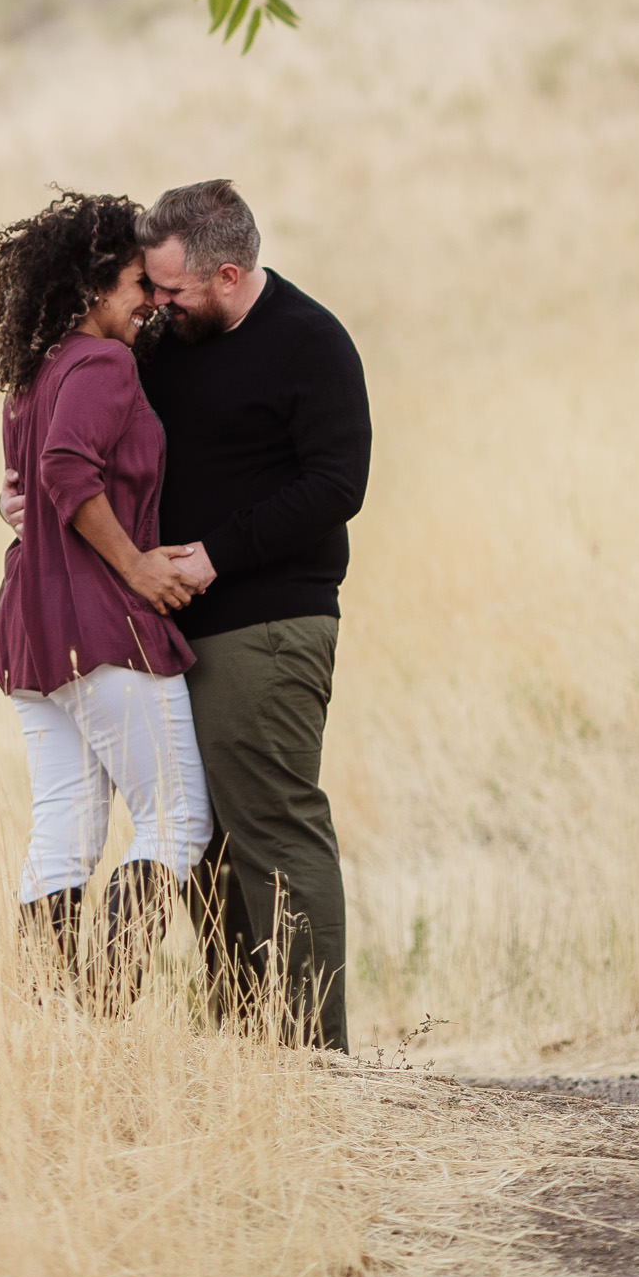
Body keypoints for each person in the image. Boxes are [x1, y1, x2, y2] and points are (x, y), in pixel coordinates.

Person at [138, 178, 371, 1052]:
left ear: (228, 275)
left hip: (268, 627)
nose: (157, 304)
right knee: (203, 848)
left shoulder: (311, 343)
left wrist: (216, 554)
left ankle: (314, 1061)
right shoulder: (169, 344)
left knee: (272, 827)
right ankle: (248, 1053)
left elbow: (337, 485)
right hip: (175, 634)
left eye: (171, 289)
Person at [0, 189, 214, 1003]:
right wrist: (140, 569)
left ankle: (53, 1030)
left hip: (31, 632)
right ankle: (103, 1012)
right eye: (135, 285)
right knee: (177, 818)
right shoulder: (103, 363)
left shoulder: (32, 375)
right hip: (98, 620)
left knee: (66, 829)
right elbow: (62, 475)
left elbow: (24, 488)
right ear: (90, 287)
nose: (149, 302)